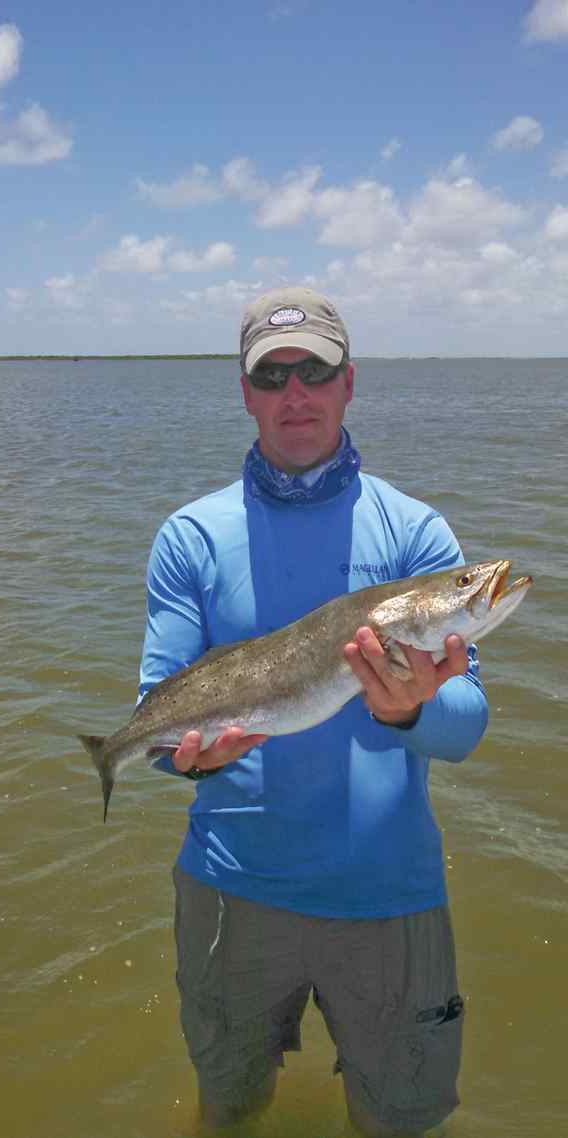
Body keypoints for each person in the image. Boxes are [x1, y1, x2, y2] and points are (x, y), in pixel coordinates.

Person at [138, 288, 488, 1137]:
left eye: (316, 370)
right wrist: (180, 754)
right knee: (231, 1105)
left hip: (390, 896)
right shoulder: (191, 535)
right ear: (247, 393)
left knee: (401, 1121)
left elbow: (469, 721)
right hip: (231, 893)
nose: (296, 393)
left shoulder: (415, 534)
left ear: (349, 383)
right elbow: (158, 716)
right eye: (273, 375)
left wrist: (413, 714)